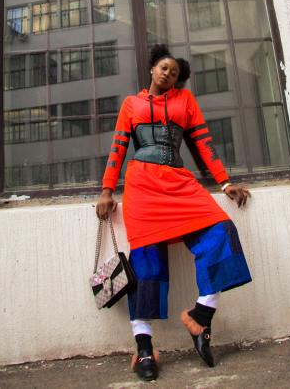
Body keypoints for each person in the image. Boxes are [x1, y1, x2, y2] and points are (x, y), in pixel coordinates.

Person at [96, 44, 252, 381]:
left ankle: (201, 315)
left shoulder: (185, 102)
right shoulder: (131, 104)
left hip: (179, 184)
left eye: (175, 73)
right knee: (147, 264)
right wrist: (107, 191)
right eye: (164, 68)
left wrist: (225, 183)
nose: (169, 74)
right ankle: (144, 348)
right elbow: (118, 148)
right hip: (142, 188)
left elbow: (204, 144)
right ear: (152, 68)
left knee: (221, 233)